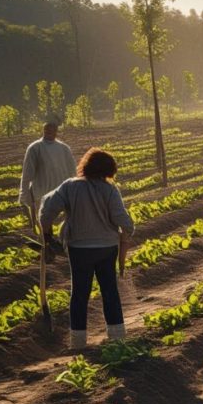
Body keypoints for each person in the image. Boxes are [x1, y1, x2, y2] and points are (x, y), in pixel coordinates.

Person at [39, 148, 134, 349]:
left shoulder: (69, 186)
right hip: (107, 248)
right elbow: (121, 218)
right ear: (109, 169)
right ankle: (117, 338)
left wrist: (47, 235)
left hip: (79, 248)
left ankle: (78, 342)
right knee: (110, 291)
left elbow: (47, 211)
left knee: (79, 294)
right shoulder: (109, 189)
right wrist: (128, 229)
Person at [19, 122, 77, 232]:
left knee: (69, 220)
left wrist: (75, 190)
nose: (49, 132)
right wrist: (24, 194)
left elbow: (73, 171)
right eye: (46, 130)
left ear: (56, 132)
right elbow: (27, 173)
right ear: (43, 130)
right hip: (42, 193)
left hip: (63, 193)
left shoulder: (64, 148)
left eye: (51, 130)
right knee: (44, 224)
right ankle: (47, 244)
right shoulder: (35, 148)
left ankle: (66, 242)